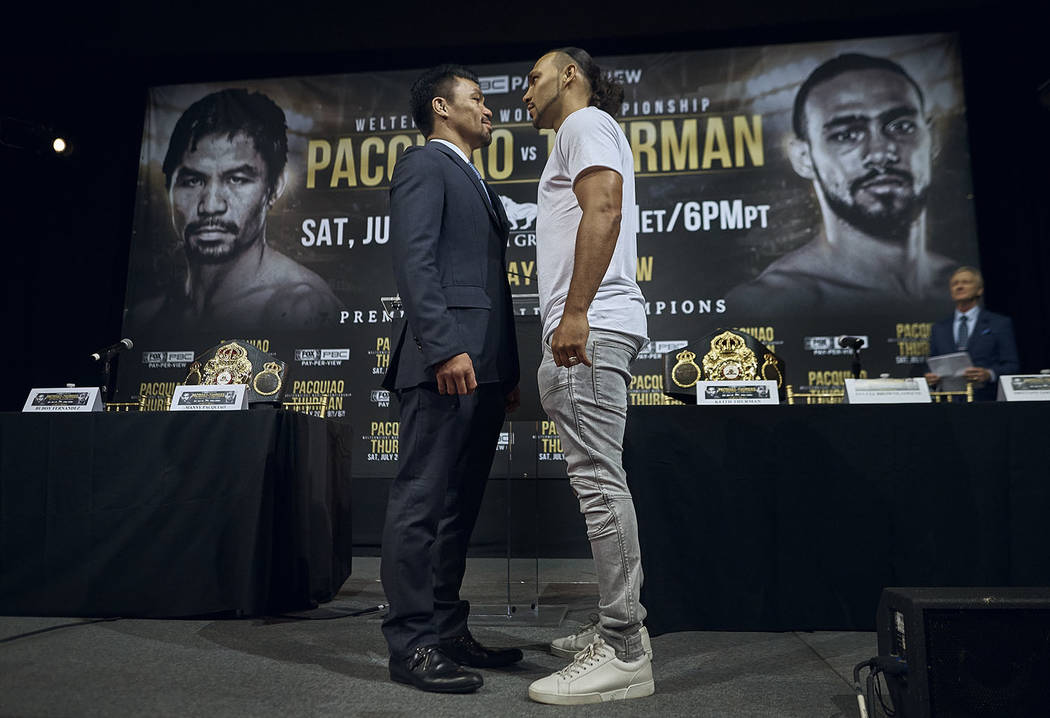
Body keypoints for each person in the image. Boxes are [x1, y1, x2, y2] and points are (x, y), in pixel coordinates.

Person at [379, 64, 521, 694]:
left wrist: (505, 370)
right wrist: (443, 349)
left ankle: (445, 628)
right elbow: (415, 262)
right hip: (445, 363)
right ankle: (410, 645)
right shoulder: (422, 165)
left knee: (457, 509)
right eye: (478, 100)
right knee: (420, 503)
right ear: (442, 107)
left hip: (483, 370)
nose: (489, 111)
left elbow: (488, 283)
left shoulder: (474, 178)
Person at [522, 47, 655, 705]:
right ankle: (618, 632)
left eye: (533, 77)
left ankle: (626, 650)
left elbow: (604, 207)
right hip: (595, 322)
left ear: (569, 74)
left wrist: (574, 312)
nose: (524, 94)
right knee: (599, 483)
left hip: (590, 325)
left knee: (599, 486)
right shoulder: (583, 131)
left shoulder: (582, 124)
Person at [726, 53, 956, 317]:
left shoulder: (965, 288)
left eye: (901, 126)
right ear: (803, 158)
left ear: (933, 140)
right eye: (846, 135)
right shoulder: (768, 305)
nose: (880, 153)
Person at [128, 88, 342, 332]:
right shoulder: (145, 317)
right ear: (169, 186)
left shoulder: (302, 307)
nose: (210, 206)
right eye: (193, 181)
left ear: (274, 188)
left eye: (237, 179)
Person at [925, 266, 1019, 400]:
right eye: (955, 283)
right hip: (949, 405)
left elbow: (1012, 365)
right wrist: (930, 378)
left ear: (979, 290)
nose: (959, 286)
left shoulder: (999, 324)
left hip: (987, 401)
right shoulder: (939, 328)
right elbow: (930, 365)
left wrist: (989, 374)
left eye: (966, 282)